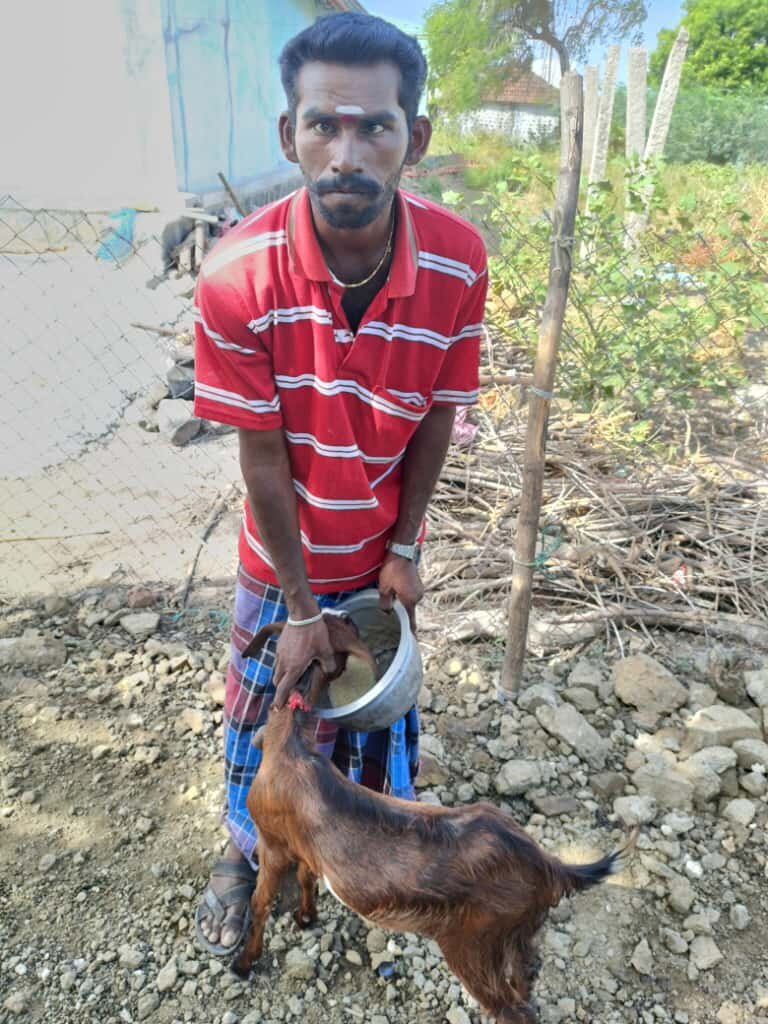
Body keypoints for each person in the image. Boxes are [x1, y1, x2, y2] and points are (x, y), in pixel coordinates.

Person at [193, 11, 488, 954]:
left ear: (417, 140)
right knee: (266, 716)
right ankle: (244, 854)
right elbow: (263, 460)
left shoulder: (457, 260)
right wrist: (300, 604)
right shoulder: (238, 274)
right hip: (281, 560)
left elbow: (439, 412)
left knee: (374, 718)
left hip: (382, 557)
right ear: (291, 135)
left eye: (376, 126)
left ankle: (365, 850)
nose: (347, 151)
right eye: (324, 124)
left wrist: (403, 549)